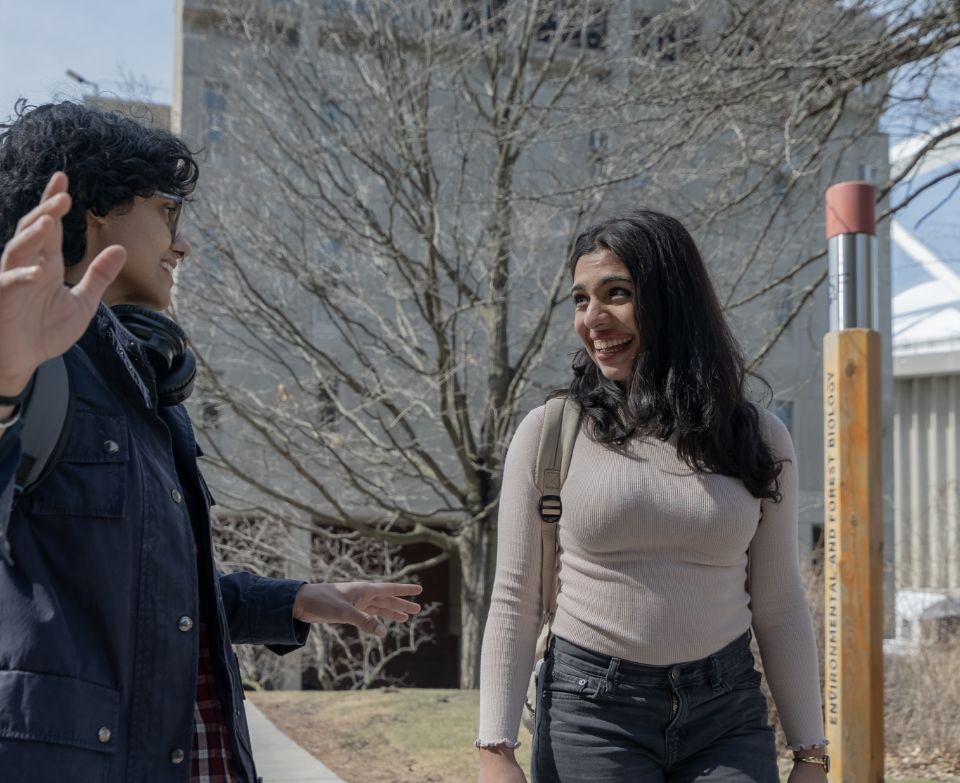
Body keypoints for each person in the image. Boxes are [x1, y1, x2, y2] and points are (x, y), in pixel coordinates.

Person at [0, 101, 422, 783]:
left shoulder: (147, 385)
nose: (182, 243)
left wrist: (296, 597)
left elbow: (144, 598)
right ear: (97, 209)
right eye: (167, 212)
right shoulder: (32, 365)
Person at [476, 211, 828, 782]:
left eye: (617, 294)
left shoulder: (758, 436)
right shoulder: (549, 433)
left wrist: (811, 754)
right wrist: (495, 750)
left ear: (672, 299)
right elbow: (514, 599)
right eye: (580, 299)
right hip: (591, 713)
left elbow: (780, 601)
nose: (593, 319)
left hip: (727, 713)